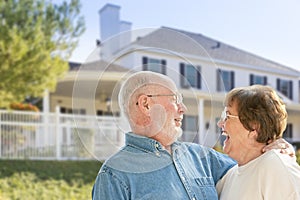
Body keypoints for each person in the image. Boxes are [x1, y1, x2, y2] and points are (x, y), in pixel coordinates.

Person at [92, 71, 294, 200]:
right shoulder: (113, 177)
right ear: (146, 104)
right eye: (175, 99)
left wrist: (275, 145)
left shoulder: (203, 158)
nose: (183, 108)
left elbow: (251, 165)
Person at [216, 85, 300, 200]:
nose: (220, 124)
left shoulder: (275, 167)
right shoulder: (230, 176)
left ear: (253, 127)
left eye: (227, 116)